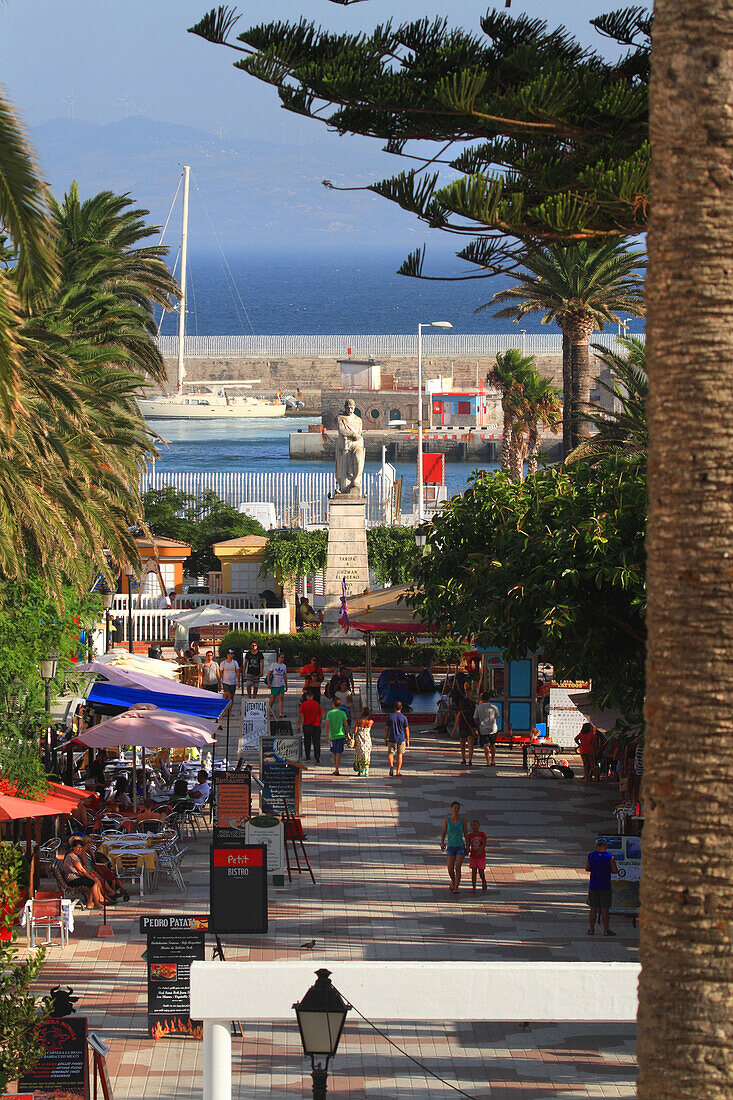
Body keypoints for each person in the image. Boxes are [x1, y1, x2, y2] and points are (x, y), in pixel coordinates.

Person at [585, 838, 618, 936]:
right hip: (605, 886)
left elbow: (587, 868)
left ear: (597, 846)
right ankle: (606, 930)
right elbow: (615, 870)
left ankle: (591, 929)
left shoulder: (591, 856)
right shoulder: (610, 857)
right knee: (604, 909)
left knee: (593, 908)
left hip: (593, 885)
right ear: (605, 846)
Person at [333, 398, 365, 495]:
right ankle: (344, 488)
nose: (350, 410)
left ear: (354, 408)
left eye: (352, 408)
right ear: (345, 408)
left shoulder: (358, 420)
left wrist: (358, 436)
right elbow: (341, 431)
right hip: (345, 444)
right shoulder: (340, 418)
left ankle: (356, 480)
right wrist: (352, 434)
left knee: (359, 457)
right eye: (348, 408)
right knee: (343, 468)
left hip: (356, 443)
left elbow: (360, 432)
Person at [62, 837, 105, 909]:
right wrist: (91, 877)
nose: (79, 849)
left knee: (93, 881)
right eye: (77, 847)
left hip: (76, 877)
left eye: (81, 848)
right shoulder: (72, 856)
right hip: (73, 879)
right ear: (73, 848)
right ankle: (95, 903)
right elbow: (81, 869)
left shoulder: (75, 856)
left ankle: (90, 902)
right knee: (93, 881)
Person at [440, 802, 468, 894]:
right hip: (451, 846)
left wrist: (468, 846)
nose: (456, 810)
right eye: (455, 808)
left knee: (458, 867)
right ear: (451, 808)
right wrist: (442, 842)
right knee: (450, 868)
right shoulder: (447, 819)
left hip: (460, 845)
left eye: (458, 808)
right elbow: (444, 831)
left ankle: (456, 887)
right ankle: (453, 880)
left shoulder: (462, 820)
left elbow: (466, 833)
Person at [474, 691, 501, 767]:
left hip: (483, 728)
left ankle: (487, 762)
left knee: (486, 745)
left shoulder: (479, 707)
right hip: (493, 728)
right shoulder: (494, 706)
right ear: (489, 698)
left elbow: (475, 718)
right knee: (493, 744)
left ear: (482, 698)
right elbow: (498, 716)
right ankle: (493, 760)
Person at [451, 689, 477, 767]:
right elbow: (475, 721)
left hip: (462, 729)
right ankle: (470, 760)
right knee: (470, 746)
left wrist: (454, 730)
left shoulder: (460, 713)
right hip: (470, 729)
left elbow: (457, 722)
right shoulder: (473, 712)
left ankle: (463, 759)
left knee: (462, 745)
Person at [297, 689, 324, 762]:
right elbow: (321, 715)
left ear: (306, 696)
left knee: (307, 741)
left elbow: (301, 716)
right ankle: (317, 757)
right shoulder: (317, 704)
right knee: (316, 742)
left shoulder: (303, 704)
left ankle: (308, 756)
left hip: (307, 725)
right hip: (316, 725)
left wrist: (298, 726)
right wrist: (319, 723)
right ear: (313, 696)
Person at [385, 701, 410, 777]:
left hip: (392, 738)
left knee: (390, 753)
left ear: (394, 707)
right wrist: (407, 740)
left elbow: (387, 729)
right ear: (401, 708)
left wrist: (385, 739)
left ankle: (391, 766)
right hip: (401, 738)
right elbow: (406, 730)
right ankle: (398, 771)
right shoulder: (404, 718)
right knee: (400, 755)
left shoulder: (390, 716)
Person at [326, 702, 350, 776]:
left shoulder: (329, 713)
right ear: (339, 705)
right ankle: (337, 768)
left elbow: (327, 724)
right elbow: (346, 724)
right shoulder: (342, 713)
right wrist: (348, 734)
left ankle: (335, 768)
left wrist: (327, 735)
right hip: (340, 735)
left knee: (334, 752)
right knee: (339, 752)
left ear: (333, 704)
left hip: (332, 735)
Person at [467, 819, 488, 891]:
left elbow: (484, 844)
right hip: (473, 856)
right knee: (473, 872)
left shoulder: (482, 834)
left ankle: (483, 881)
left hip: (481, 856)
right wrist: (467, 850)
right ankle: (474, 887)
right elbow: (468, 845)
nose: (474, 827)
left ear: (478, 826)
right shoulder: (470, 835)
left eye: (475, 825)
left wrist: (480, 851)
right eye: (472, 825)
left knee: (481, 872)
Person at [352, 706, 374, 777]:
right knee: (367, 754)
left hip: (360, 739)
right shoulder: (370, 722)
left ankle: (360, 770)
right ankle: (366, 770)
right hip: (367, 739)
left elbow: (355, 731)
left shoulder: (359, 721)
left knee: (359, 754)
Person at [267, 652, 288, 718]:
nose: (282, 659)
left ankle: (280, 713)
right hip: (274, 684)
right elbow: (268, 674)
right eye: (281, 657)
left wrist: (286, 685)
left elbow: (284, 675)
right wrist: (268, 683)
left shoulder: (284, 666)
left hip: (281, 684)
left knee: (281, 698)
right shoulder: (273, 665)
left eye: (283, 657)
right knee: (272, 699)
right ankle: (268, 711)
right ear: (278, 658)